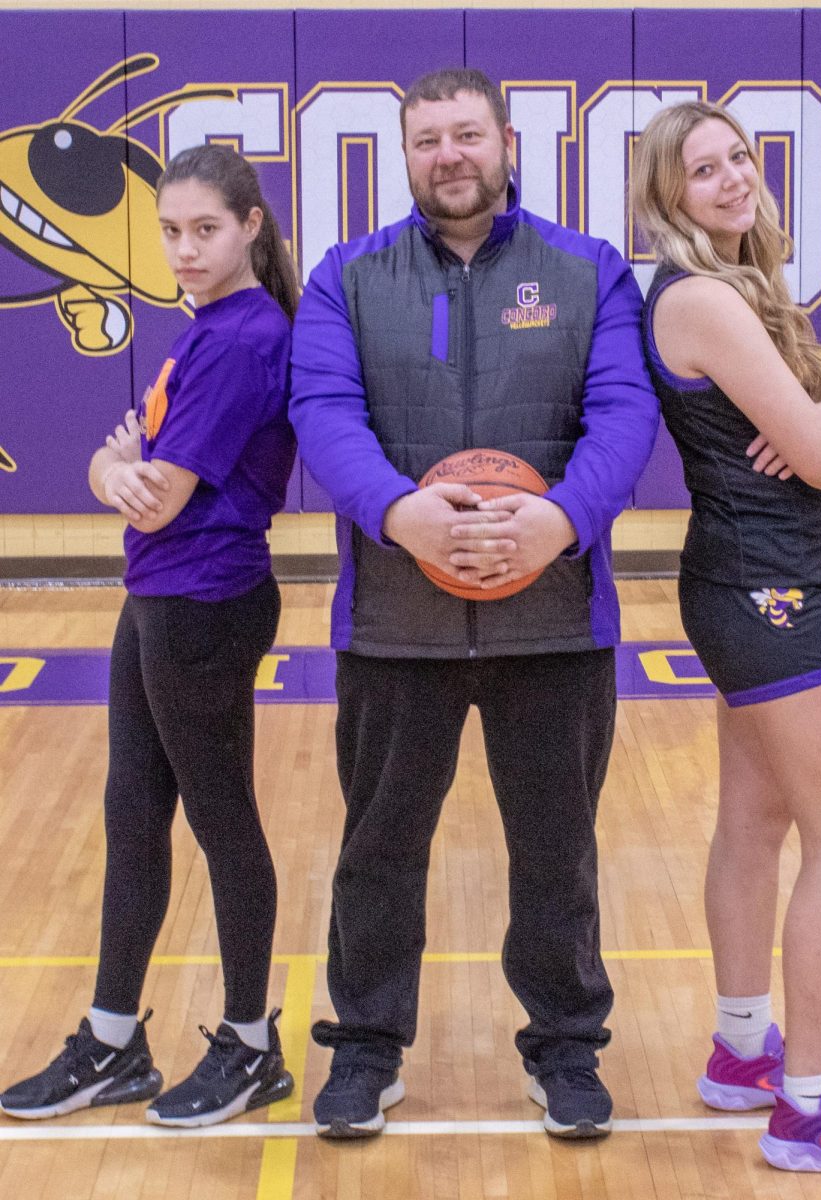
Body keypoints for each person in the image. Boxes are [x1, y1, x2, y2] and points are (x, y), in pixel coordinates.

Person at [290, 67, 659, 1140]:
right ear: (404, 158)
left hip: (554, 620)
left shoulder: (587, 271)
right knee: (379, 846)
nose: (448, 157)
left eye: (465, 136)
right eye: (426, 142)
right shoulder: (346, 277)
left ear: (505, 142)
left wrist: (562, 522)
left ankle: (564, 1048)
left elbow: (624, 413)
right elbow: (323, 410)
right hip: (395, 625)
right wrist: (399, 512)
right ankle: (364, 1045)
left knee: (557, 847)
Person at [632, 101, 821, 1177]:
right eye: (701, 170)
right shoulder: (708, 299)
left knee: (757, 822)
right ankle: (811, 1104)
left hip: (748, 584)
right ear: (669, 198)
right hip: (775, 594)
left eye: (738, 160)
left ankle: (743, 1047)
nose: (729, 180)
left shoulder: (735, 287)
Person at [0, 145, 300, 1128]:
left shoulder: (246, 337)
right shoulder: (202, 332)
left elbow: (155, 496)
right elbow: (117, 468)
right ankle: (114, 1040)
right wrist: (108, 470)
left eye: (204, 229)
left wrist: (123, 474)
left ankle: (252, 1045)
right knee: (133, 815)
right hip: (157, 598)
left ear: (251, 226)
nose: (182, 249)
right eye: (169, 231)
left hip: (203, 602)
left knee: (221, 822)